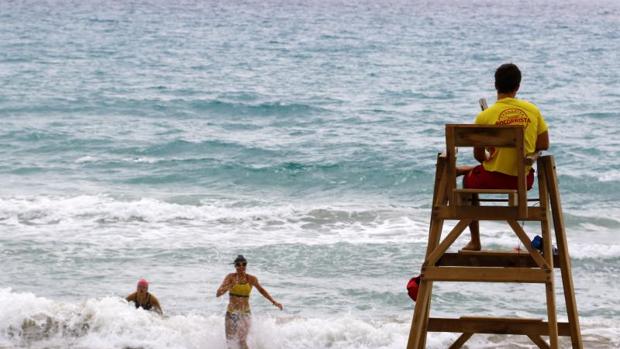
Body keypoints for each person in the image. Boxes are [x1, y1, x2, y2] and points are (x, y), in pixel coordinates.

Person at [460, 63, 549, 250]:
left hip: (491, 180)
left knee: (468, 182)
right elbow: (543, 145)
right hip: (523, 180)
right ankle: (463, 170)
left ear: (495, 85)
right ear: (518, 87)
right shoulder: (533, 110)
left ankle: (475, 240)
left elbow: (479, 156)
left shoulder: (485, 116)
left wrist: (490, 155)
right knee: (483, 171)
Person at [216, 255, 283, 349]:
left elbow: (262, 290)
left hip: (245, 313)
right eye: (238, 265)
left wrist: (274, 301)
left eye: (244, 264)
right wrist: (230, 285)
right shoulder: (230, 277)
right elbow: (218, 293)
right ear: (235, 266)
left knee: (242, 341)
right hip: (231, 313)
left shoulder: (251, 279)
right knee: (230, 342)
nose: (241, 267)